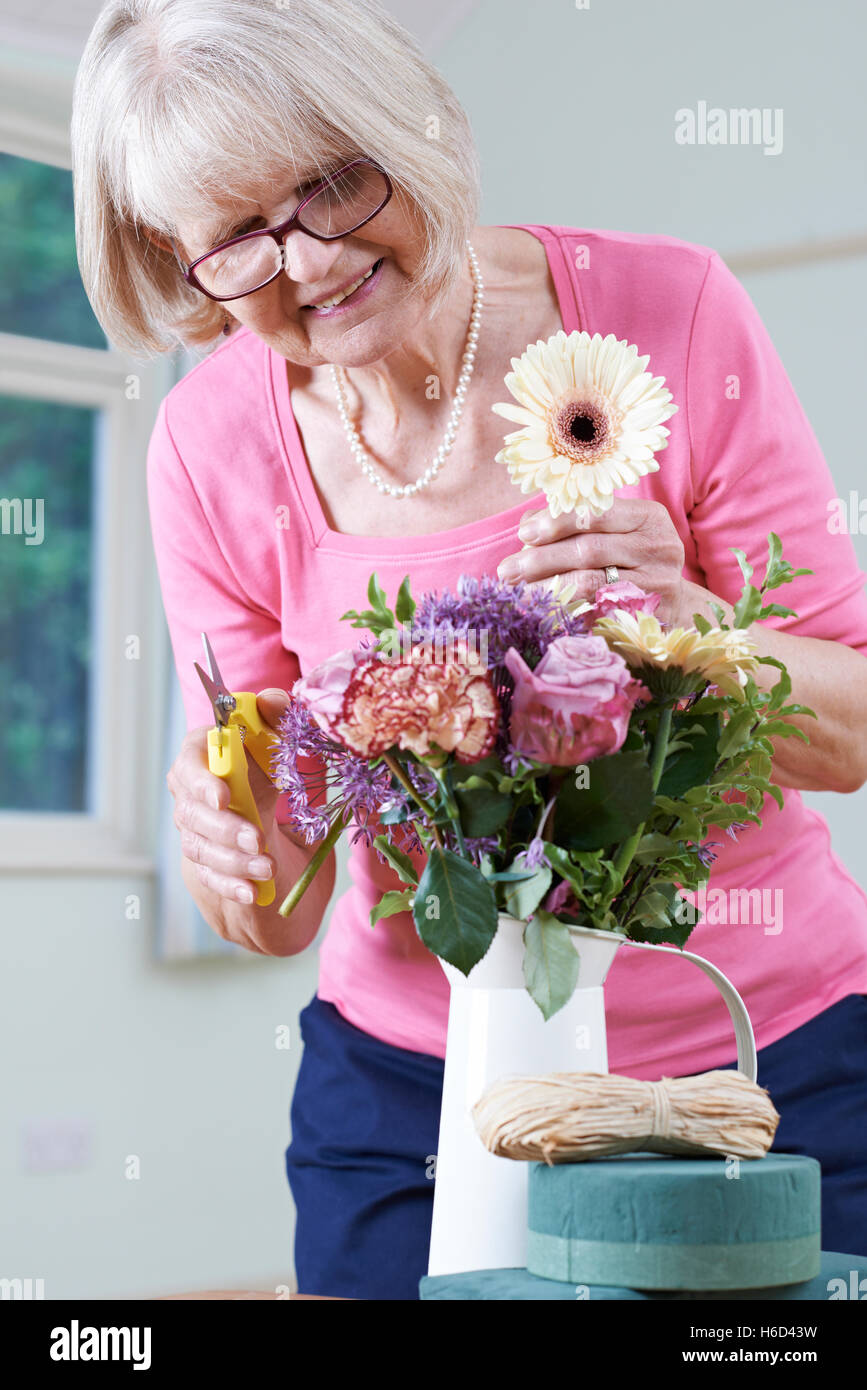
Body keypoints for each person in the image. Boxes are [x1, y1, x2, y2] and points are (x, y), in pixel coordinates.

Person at [72, 0, 867, 1299]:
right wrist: (228, 842)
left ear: (412, 129)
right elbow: (277, 906)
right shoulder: (208, 450)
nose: (310, 259)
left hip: (765, 1066)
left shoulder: (671, 313)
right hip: (417, 1097)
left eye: (331, 181)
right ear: (179, 257)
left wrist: (699, 635)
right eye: (238, 237)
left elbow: (856, 729)